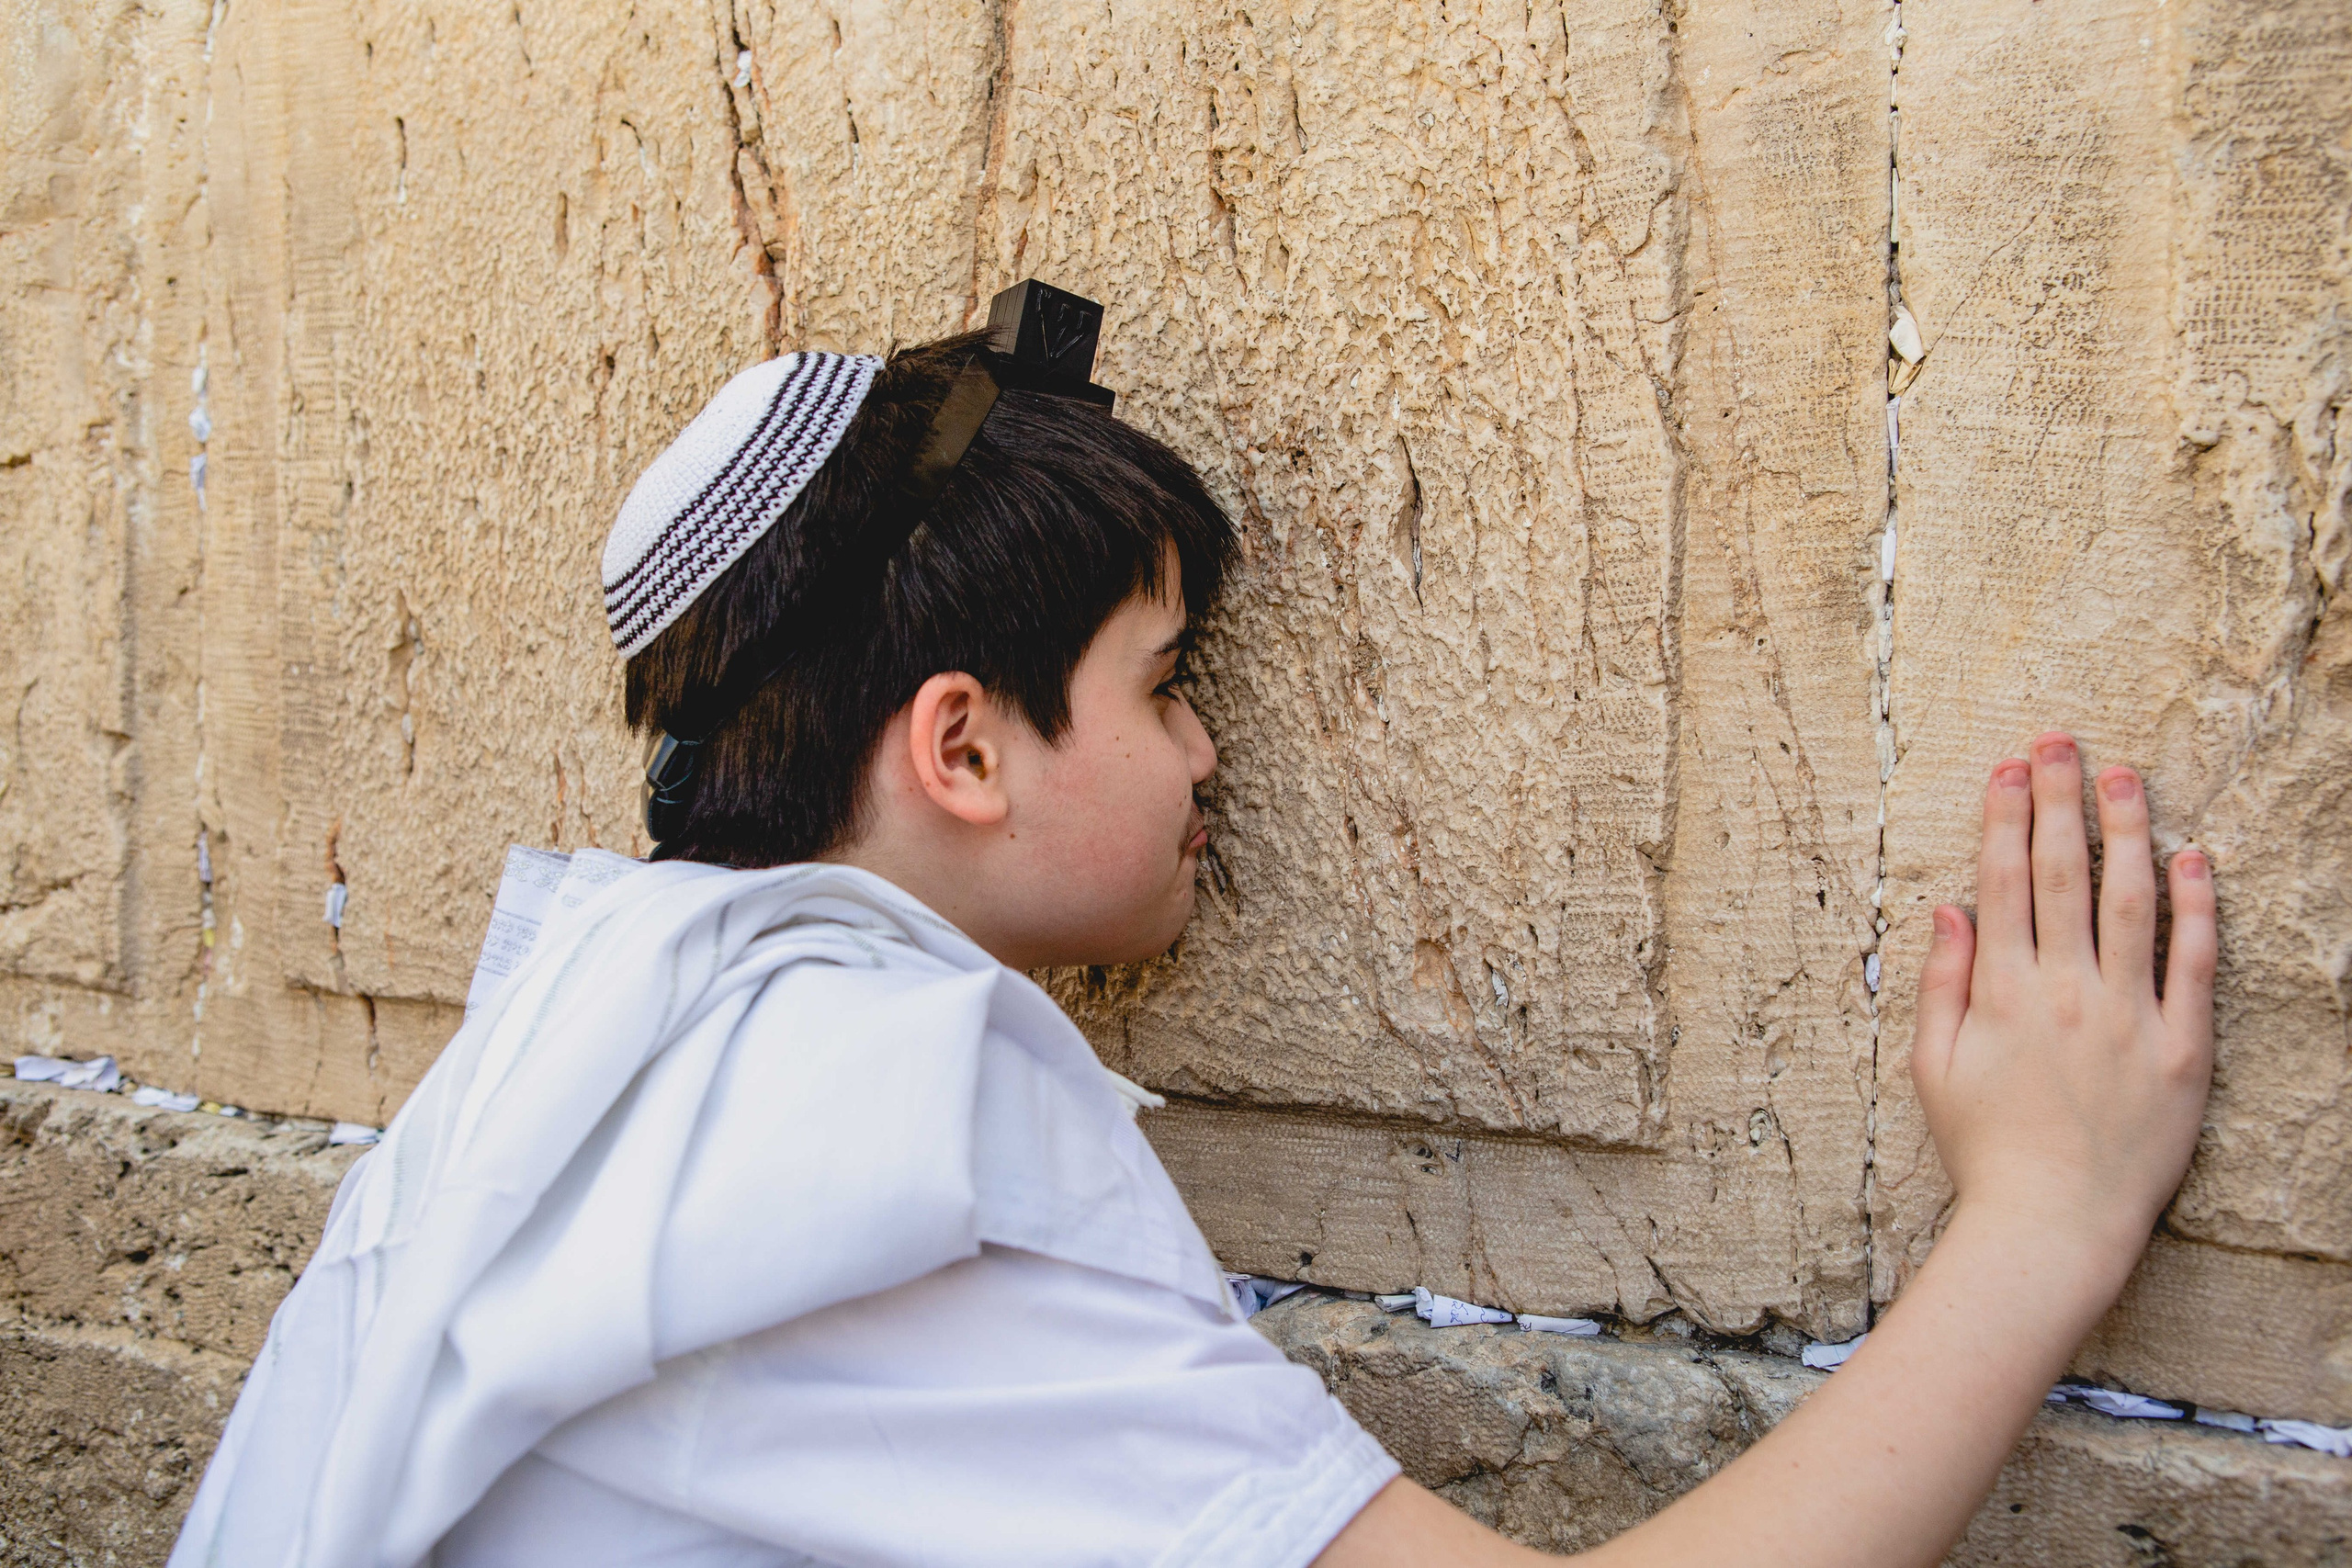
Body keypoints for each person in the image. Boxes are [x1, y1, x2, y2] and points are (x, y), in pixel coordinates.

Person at [168, 293, 2215, 1568]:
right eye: (1164, 682)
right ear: (962, 745)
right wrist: (2044, 1213)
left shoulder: (591, 1043)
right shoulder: (876, 1109)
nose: (1211, 749)